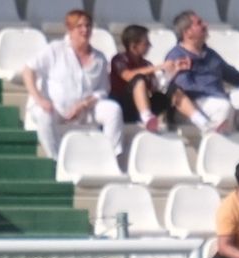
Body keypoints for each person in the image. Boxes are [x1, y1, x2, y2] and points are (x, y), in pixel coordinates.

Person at [165, 8, 239, 150]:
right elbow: (185, 88)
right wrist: (218, 95)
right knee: (223, 105)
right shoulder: (176, 56)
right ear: (187, 32)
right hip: (193, 106)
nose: (206, 25)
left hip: (218, 99)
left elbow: (236, 77)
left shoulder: (210, 54)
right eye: (199, 23)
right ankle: (221, 150)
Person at [22, 9, 120, 160]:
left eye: (88, 26)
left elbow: (103, 90)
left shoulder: (99, 57)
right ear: (70, 29)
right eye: (79, 26)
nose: (85, 30)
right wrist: (39, 99)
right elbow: (28, 70)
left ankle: (110, 157)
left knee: (113, 109)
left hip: (85, 110)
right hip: (55, 109)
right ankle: (55, 160)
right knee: (43, 114)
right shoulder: (55, 49)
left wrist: (84, 104)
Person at [109, 24, 186, 135]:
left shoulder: (146, 64)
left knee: (171, 91)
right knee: (138, 80)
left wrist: (174, 70)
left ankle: (168, 122)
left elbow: (156, 87)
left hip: (140, 105)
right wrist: (159, 67)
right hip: (123, 104)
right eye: (146, 43)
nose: (150, 45)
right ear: (134, 46)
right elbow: (128, 76)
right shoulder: (119, 59)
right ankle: (146, 117)